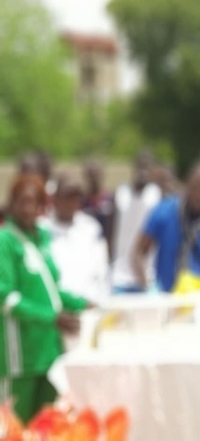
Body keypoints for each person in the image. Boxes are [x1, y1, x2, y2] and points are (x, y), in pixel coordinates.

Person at [0, 174, 88, 423]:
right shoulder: (5, 241)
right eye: (22, 201)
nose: (28, 209)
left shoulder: (41, 237)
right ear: (12, 203)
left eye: (34, 202)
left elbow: (50, 289)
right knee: (16, 427)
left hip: (49, 352)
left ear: (42, 206)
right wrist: (52, 317)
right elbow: (6, 298)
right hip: (20, 356)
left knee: (50, 426)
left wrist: (82, 304)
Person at [131, 162, 200, 293]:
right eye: (195, 188)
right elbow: (139, 252)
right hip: (167, 296)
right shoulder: (164, 211)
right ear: (187, 185)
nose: (199, 195)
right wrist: (147, 286)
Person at [44, 174, 110, 305]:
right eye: (67, 197)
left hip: (89, 302)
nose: (71, 202)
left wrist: (101, 297)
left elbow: (102, 268)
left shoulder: (90, 227)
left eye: (76, 197)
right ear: (55, 199)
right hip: (56, 305)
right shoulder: (42, 228)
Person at [110, 151, 163, 293]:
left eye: (146, 167)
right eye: (140, 166)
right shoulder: (121, 192)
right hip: (119, 275)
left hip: (148, 275)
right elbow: (110, 230)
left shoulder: (156, 194)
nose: (142, 171)